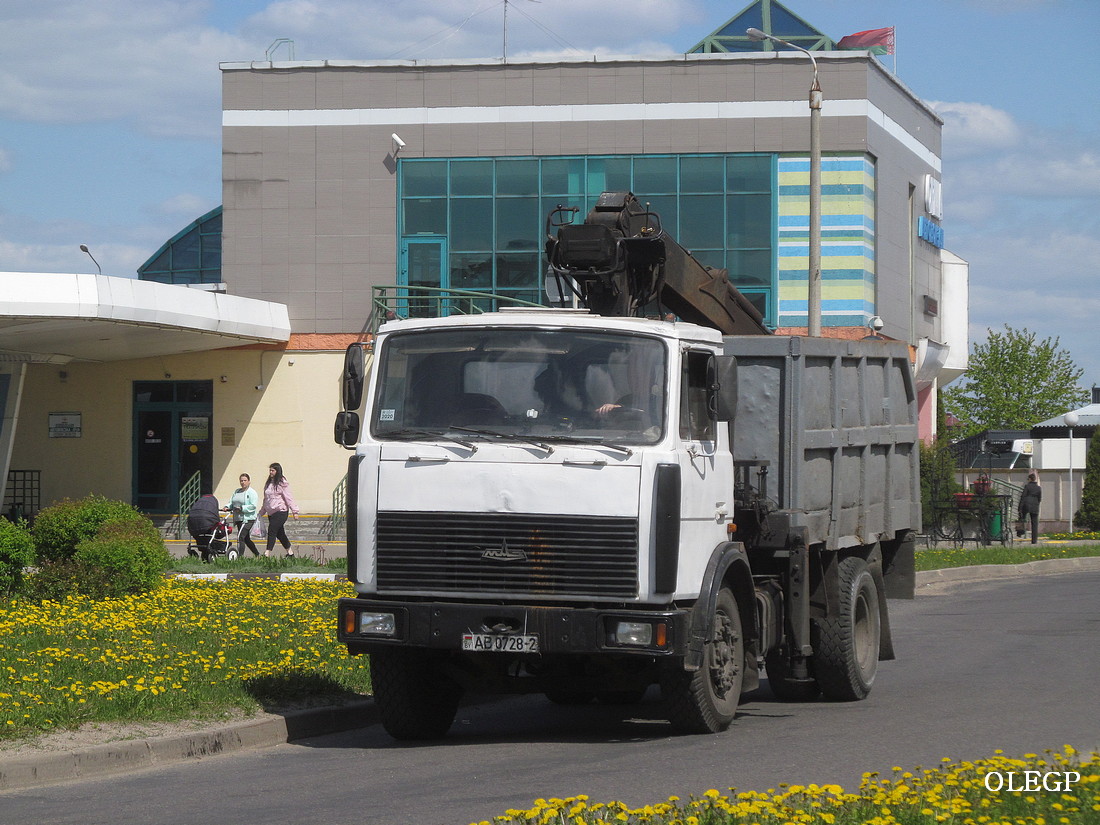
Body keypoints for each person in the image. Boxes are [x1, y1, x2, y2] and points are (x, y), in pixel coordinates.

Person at [259, 462, 299, 557]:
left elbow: (289, 497)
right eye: (270, 470)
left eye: (273, 470)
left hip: (281, 511)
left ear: (277, 471)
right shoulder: (268, 484)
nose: (271, 472)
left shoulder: (282, 483)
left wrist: (295, 511)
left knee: (272, 530)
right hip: (271, 512)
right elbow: (266, 499)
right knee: (280, 534)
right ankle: (290, 553)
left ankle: (267, 553)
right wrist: (261, 512)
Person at [227, 473, 260, 557]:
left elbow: (253, 506)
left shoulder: (252, 493)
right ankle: (257, 555)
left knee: (240, 537)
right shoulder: (237, 491)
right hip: (238, 518)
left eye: (245, 480)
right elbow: (232, 502)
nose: (243, 482)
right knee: (246, 539)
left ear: (249, 481)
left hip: (248, 519)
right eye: (241, 480)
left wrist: (242, 508)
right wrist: (227, 507)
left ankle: (239, 557)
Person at [1018, 472, 1042, 545]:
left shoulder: (1027, 486)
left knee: (1022, 518)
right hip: (1035, 505)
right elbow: (1040, 498)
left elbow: (1023, 496)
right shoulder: (1038, 488)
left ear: (1030, 479)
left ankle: (1020, 532)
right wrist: (1036, 503)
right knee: (1034, 523)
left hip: (1026, 504)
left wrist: (1020, 507)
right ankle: (1034, 540)